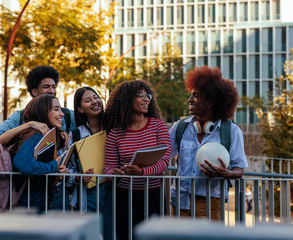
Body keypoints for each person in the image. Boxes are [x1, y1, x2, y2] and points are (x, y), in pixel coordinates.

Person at [169, 65, 248, 220]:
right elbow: (162, 155)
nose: (189, 100)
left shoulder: (231, 132)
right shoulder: (180, 128)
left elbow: (240, 169)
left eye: (195, 96)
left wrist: (228, 174)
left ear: (210, 102)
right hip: (180, 201)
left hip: (211, 204)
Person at [103, 80, 171, 240]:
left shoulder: (158, 126)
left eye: (147, 95)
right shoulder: (115, 133)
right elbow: (108, 168)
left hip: (153, 195)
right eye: (140, 96)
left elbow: (165, 161)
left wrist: (142, 172)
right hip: (124, 197)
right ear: (126, 100)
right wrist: (114, 173)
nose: (147, 99)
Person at [0, 94, 70, 213]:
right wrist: (54, 166)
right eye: (56, 109)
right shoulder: (36, 135)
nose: (62, 114)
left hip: (41, 199)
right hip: (34, 202)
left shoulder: (51, 134)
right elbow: (24, 164)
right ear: (42, 112)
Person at [0, 65, 75, 142]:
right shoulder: (20, 117)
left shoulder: (67, 115)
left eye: (54, 87)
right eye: (46, 87)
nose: (51, 91)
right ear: (34, 92)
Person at [67, 86, 113, 240]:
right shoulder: (74, 135)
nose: (94, 102)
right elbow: (67, 169)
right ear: (80, 108)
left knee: (112, 234)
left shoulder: (113, 129)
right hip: (89, 194)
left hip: (113, 189)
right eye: (88, 100)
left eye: (95, 97)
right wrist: (78, 177)